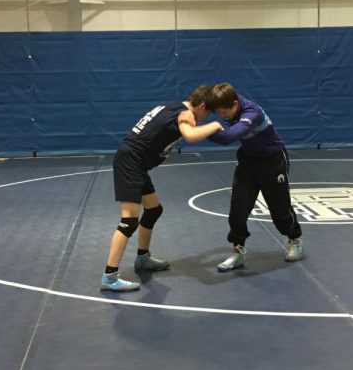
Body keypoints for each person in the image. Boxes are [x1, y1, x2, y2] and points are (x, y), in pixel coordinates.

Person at [100, 86, 224, 292]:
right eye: (207, 113)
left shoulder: (173, 106)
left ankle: (142, 258)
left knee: (154, 209)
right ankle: (109, 277)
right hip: (131, 161)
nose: (204, 118)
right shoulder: (186, 115)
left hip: (134, 160)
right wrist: (215, 126)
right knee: (129, 221)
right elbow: (191, 136)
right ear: (202, 106)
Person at [207, 83, 303, 271]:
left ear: (234, 104)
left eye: (224, 113)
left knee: (280, 210)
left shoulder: (252, 113)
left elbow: (228, 137)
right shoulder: (227, 100)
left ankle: (294, 240)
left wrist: (200, 132)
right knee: (238, 208)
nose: (222, 116)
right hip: (248, 161)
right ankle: (238, 250)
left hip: (273, 160)